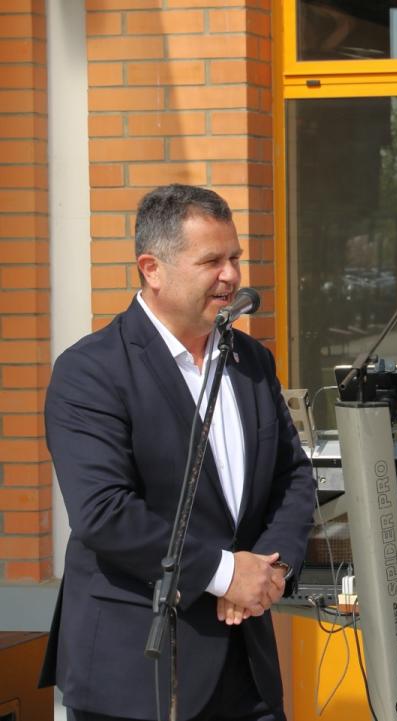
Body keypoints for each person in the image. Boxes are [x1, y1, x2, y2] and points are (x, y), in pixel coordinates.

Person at [40, 184, 317, 721]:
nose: (231, 275)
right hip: (136, 671)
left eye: (235, 258)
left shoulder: (250, 360)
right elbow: (104, 512)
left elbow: (293, 477)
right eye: (211, 261)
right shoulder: (91, 370)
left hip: (246, 665)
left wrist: (271, 567)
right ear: (152, 269)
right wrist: (224, 573)